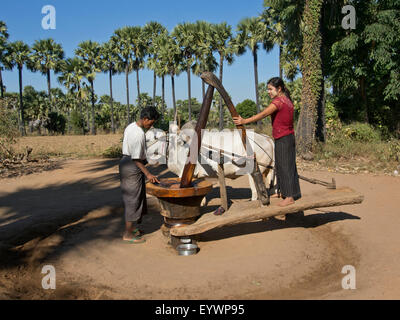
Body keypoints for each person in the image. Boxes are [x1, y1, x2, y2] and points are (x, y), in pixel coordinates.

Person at [233, 77, 301, 207]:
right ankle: (285, 192)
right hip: (286, 137)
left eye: (270, 89)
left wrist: (244, 121)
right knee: (284, 165)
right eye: (268, 89)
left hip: (284, 138)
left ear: (279, 89)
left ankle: (290, 197)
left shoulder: (279, 102)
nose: (268, 92)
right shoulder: (286, 100)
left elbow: (263, 114)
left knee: (285, 166)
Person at [119, 106, 160, 243]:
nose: (152, 125)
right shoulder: (139, 134)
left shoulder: (131, 126)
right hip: (132, 166)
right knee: (133, 200)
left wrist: (148, 160)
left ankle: (132, 228)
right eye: (151, 122)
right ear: (145, 119)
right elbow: (136, 159)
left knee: (137, 197)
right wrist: (148, 174)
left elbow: (136, 154)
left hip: (127, 163)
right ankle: (128, 234)